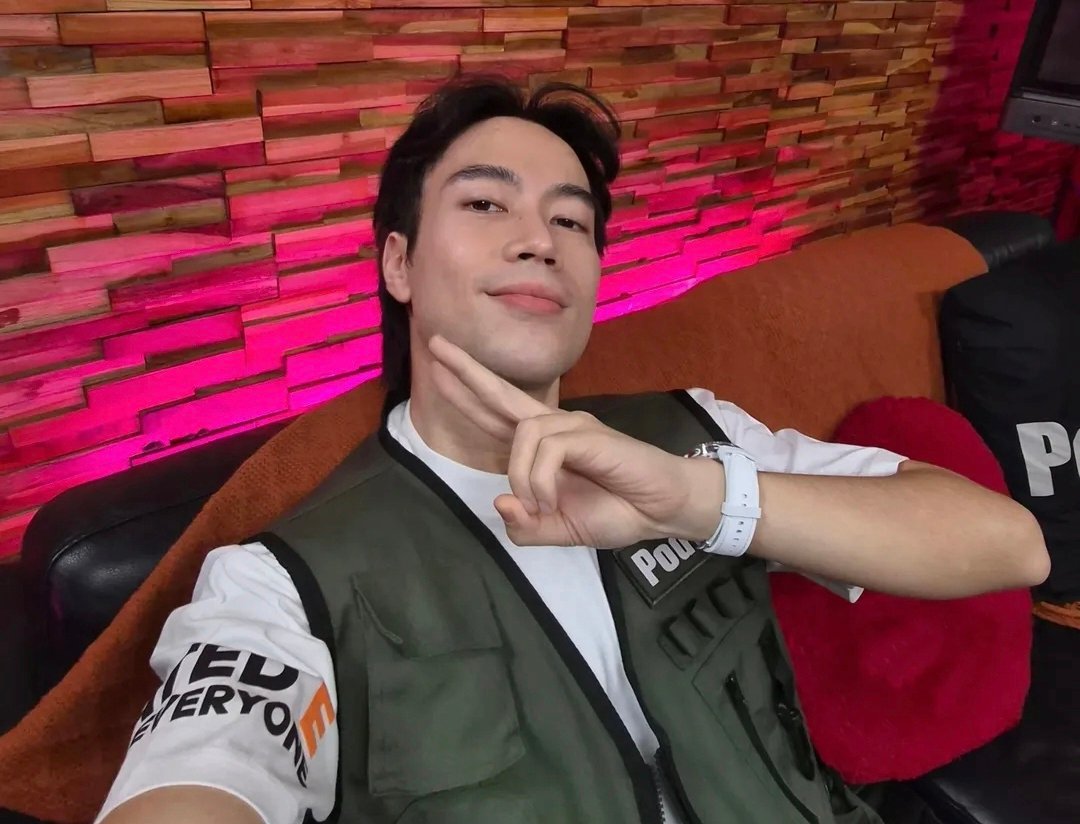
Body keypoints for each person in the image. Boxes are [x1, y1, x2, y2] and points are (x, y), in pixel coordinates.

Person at [95, 74, 1050, 824]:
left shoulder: (698, 433)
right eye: (485, 204)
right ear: (399, 263)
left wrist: (703, 502)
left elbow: (1010, 546)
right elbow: (204, 778)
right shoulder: (281, 587)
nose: (538, 241)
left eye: (570, 220)